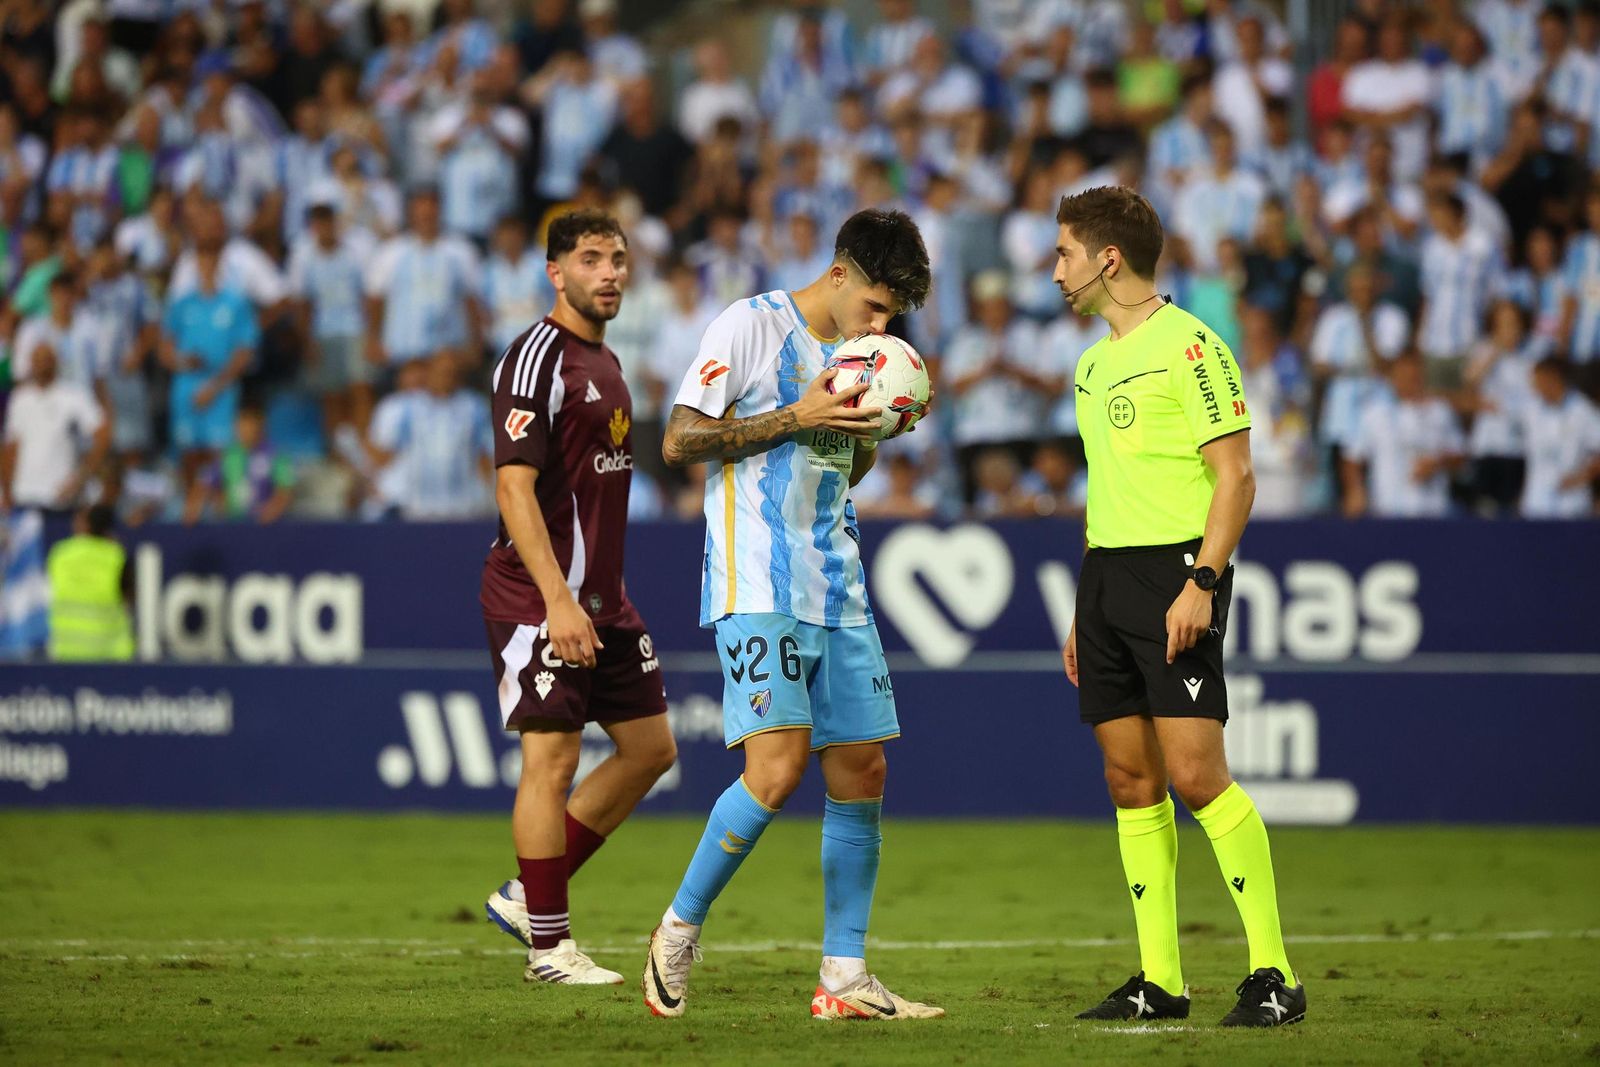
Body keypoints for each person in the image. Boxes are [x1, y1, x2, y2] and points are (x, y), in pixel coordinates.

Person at [642, 209, 942, 1022]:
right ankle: (678, 927)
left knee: (862, 770)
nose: (881, 327)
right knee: (774, 771)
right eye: (876, 308)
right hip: (757, 582)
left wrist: (882, 424)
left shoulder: (865, 359)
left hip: (837, 581)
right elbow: (678, 441)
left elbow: (843, 467)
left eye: (894, 318)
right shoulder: (751, 325)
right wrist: (796, 416)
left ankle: (844, 975)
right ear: (839, 273)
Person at [1054, 186, 1304, 1027]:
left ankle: (1275, 973)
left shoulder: (1194, 346)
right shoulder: (1089, 366)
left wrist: (1202, 580)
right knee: (1130, 778)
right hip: (1106, 576)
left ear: (1107, 259)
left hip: (1176, 573)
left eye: (1065, 254)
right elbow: (1107, 491)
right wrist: (1082, 606)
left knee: (1198, 775)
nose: (1057, 271)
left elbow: (1235, 476)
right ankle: (1161, 982)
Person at [478, 210, 676, 985]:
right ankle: (549, 949)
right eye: (591, 258)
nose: (610, 272)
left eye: (619, 258)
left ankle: (531, 893)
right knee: (551, 760)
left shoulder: (607, 359)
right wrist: (557, 600)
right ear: (554, 272)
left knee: (651, 749)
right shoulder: (535, 357)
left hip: (603, 600)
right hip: (538, 594)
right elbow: (512, 485)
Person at [45, 503, 133, 662]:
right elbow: (129, 599)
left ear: (85, 525)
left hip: (67, 650)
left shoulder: (60, 553)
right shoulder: (116, 556)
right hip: (110, 652)